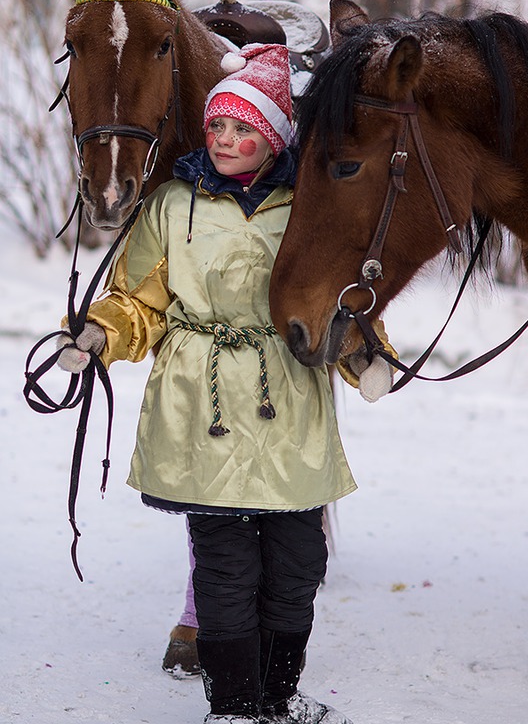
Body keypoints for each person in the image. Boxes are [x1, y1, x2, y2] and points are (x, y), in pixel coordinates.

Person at [56, 42, 394, 724]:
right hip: (198, 403)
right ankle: (235, 705)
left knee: (298, 562)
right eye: (217, 126)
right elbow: (140, 301)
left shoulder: (308, 205)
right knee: (224, 566)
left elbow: (333, 298)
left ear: (272, 139)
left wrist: (363, 354)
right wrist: (98, 334)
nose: (226, 140)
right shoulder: (171, 207)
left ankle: (278, 696)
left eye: (244, 129)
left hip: (287, 397)